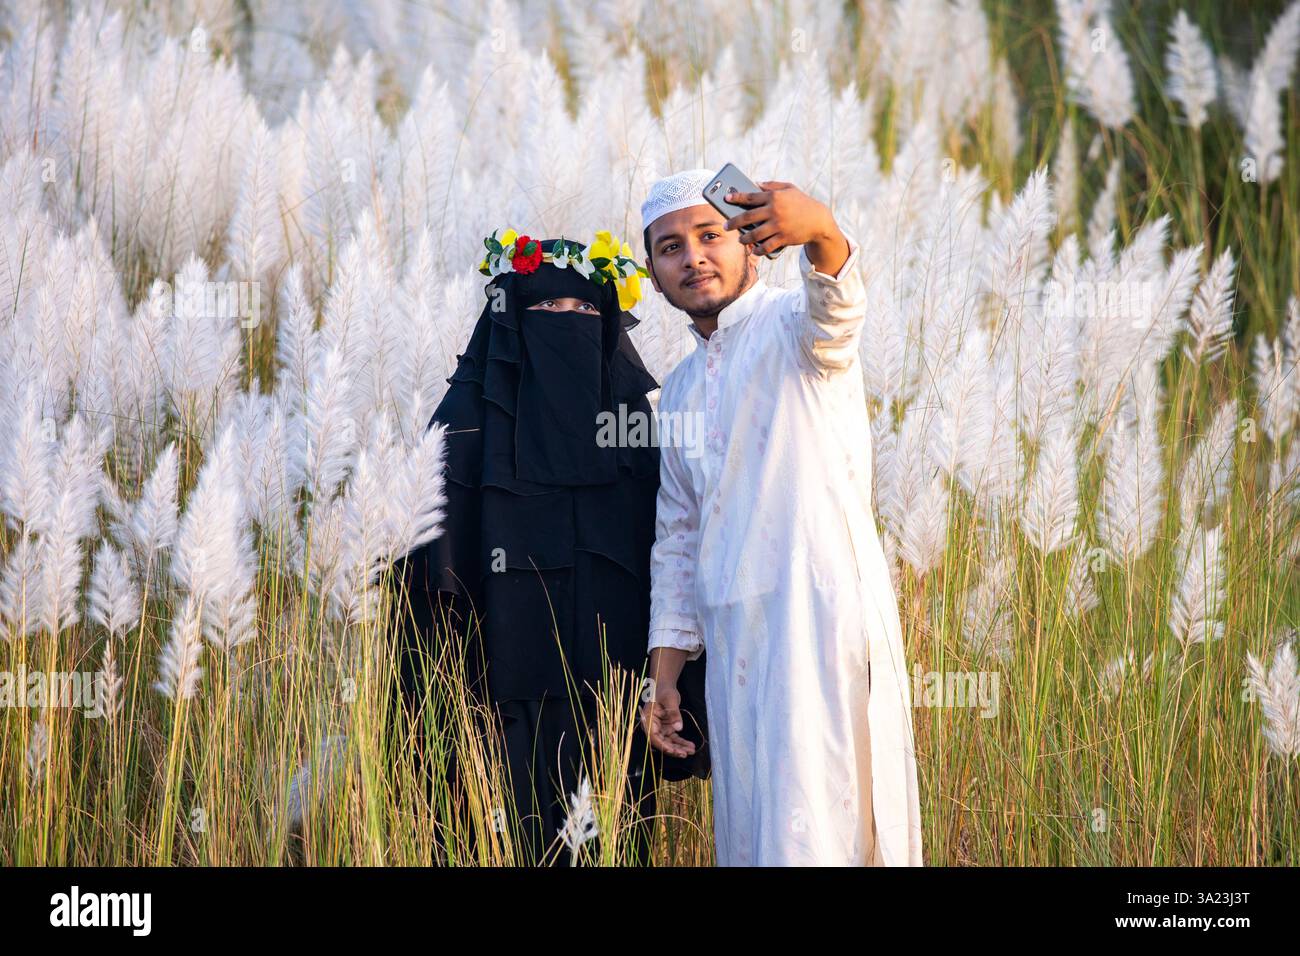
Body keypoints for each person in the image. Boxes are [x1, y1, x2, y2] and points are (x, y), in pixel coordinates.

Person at [391, 230, 707, 866]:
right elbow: (430, 587)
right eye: (546, 312)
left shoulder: (634, 436)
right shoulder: (464, 432)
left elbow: (675, 563)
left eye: (588, 312)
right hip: (495, 704)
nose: (569, 324)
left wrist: (673, 690)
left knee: (609, 843)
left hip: (611, 708)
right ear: (510, 329)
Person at [637, 169, 924, 866]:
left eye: (710, 235)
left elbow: (838, 311)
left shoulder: (791, 329)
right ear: (652, 271)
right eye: (670, 247)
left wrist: (822, 229)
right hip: (736, 639)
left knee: (829, 823)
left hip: (817, 622)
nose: (693, 257)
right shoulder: (675, 393)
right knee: (757, 831)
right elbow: (678, 537)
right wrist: (666, 674)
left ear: (750, 244)